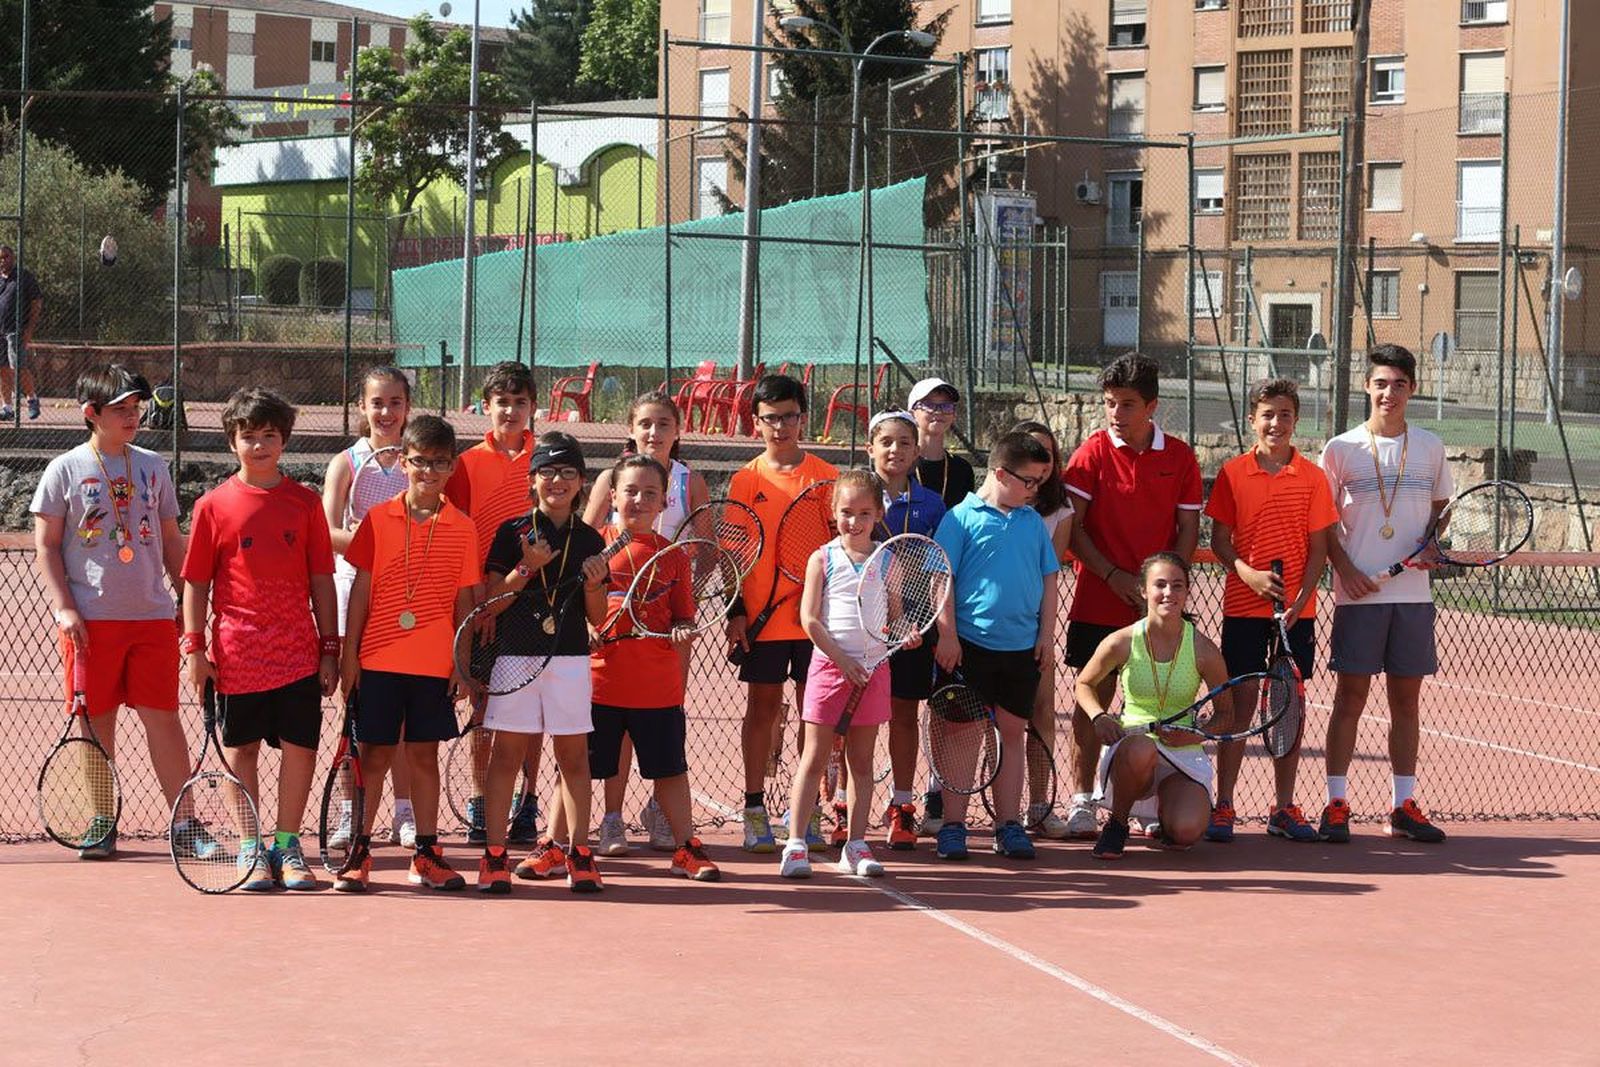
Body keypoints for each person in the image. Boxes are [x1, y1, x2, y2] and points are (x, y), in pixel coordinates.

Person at [30, 364, 209, 860]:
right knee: (96, 723)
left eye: (136, 409)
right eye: (122, 409)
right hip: (90, 623)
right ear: (91, 414)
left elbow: (172, 540)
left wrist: (184, 601)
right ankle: (103, 820)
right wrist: (65, 607)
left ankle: (186, 823)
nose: (133, 417)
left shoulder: (153, 465)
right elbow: (45, 546)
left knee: (165, 720)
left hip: (152, 617)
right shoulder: (64, 469)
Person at [180, 387, 338, 891]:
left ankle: (287, 847)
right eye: (248, 436)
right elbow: (196, 584)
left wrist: (329, 649)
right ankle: (252, 849)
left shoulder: (305, 504)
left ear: (284, 440)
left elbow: (321, 581)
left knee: (300, 747)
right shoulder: (212, 506)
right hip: (236, 654)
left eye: (268, 435)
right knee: (241, 748)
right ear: (232, 442)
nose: (259, 445)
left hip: (297, 652)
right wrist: (195, 650)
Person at [536, 454, 720, 886]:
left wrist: (682, 630)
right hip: (597, 686)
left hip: (657, 689)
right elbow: (567, 610)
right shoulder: (589, 544)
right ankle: (553, 846)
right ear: (613, 495)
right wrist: (585, 626)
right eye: (630, 491)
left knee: (671, 770)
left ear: (663, 503)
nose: (639, 500)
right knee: (573, 767)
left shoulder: (672, 556)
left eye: (650, 494)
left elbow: (683, 617)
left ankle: (686, 849)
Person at [334, 415, 480, 893]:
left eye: (440, 463)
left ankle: (427, 854)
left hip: (434, 664)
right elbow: (361, 592)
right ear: (403, 461)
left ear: (452, 466)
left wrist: (462, 662)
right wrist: (350, 654)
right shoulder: (378, 520)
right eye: (420, 462)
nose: (429, 472)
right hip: (378, 660)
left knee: (423, 757)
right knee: (373, 758)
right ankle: (360, 851)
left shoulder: (463, 528)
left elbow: (465, 603)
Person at [1062, 354, 1202, 840]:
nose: (1116, 413)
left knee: (1161, 703)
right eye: (1109, 403)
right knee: (1093, 702)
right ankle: (1082, 800)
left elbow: (1188, 528)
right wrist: (1111, 574)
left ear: (1152, 406)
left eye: (1127, 404)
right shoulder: (1090, 454)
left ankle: (1146, 800)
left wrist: (1166, 586)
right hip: (1099, 597)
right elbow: (1072, 528)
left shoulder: (1181, 457)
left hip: (1157, 607)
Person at [1318, 345, 1453, 844]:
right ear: (1366, 387)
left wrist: (1433, 543)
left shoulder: (1432, 447)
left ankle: (1403, 806)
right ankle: (1336, 803)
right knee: (1350, 699)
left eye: (1398, 384)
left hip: (1413, 595)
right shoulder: (1341, 449)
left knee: (1407, 703)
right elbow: (1324, 521)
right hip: (1358, 595)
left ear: (1412, 389)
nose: (1388, 392)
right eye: (1380, 383)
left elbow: (1441, 507)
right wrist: (1345, 568)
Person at [477, 432, 611, 893]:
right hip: (515, 656)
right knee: (506, 757)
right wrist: (526, 566)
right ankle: (495, 855)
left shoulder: (592, 538)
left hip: (570, 659)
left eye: (567, 473)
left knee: (573, 758)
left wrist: (595, 585)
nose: (557, 480)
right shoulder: (510, 532)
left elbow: (596, 618)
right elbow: (490, 606)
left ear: (581, 483)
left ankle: (580, 854)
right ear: (533, 479)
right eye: (547, 472)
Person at [1204, 379, 1337, 844]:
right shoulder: (1233, 473)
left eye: (1284, 414)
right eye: (1267, 414)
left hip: (1296, 614)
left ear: (1295, 420)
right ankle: (1224, 804)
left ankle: (1283, 807)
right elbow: (1220, 541)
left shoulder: (1314, 477)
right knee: (1239, 707)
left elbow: (1320, 547)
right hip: (1243, 608)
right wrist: (1248, 574)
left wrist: (1302, 599)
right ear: (1252, 420)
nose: (1275, 423)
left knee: (1288, 712)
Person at [582, 391, 711, 854]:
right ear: (631, 430)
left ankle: (664, 817)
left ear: (677, 432)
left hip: (662, 623)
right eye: (645, 424)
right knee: (605, 731)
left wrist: (678, 596)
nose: (653, 432)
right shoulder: (611, 482)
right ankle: (606, 821)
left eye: (663, 424)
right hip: (608, 629)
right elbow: (586, 543)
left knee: (661, 722)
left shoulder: (688, 481)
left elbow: (706, 545)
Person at [931, 431, 1061, 861]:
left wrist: (1045, 635)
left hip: (1021, 649)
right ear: (1001, 474)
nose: (1035, 490)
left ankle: (1008, 825)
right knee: (962, 736)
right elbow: (941, 578)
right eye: (1029, 481)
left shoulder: (1032, 524)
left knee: (1011, 735)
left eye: (1041, 481)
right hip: (969, 647)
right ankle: (953, 826)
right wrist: (947, 635)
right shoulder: (960, 518)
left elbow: (1049, 579)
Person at [725, 374, 839, 853]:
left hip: (816, 622)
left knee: (815, 720)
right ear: (757, 422)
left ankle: (806, 809)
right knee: (763, 709)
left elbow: (842, 547)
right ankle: (754, 809)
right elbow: (732, 554)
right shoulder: (745, 479)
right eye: (770, 418)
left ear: (802, 418)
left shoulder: (826, 478)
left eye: (789, 416)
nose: (780, 426)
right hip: (762, 618)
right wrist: (735, 610)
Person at [782, 468, 908, 879]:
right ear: (834, 512)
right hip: (829, 668)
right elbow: (809, 619)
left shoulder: (888, 559)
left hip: (873, 671)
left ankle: (855, 845)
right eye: (846, 512)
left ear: (878, 514)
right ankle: (796, 843)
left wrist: (903, 635)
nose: (854, 522)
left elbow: (897, 617)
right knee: (814, 756)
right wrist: (841, 660)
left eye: (864, 513)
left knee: (862, 761)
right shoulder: (823, 557)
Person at [442, 361, 545, 847]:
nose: (510, 410)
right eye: (502, 401)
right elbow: (459, 532)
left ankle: (528, 801)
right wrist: (479, 597)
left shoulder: (544, 458)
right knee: (482, 705)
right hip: (485, 600)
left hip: (536, 600)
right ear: (486, 407)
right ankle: (481, 800)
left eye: (520, 402)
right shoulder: (465, 463)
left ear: (532, 408)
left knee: (530, 710)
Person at [1074, 553, 1232, 860]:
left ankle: (1164, 815)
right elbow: (1084, 684)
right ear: (1144, 590)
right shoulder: (1122, 641)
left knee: (1185, 832)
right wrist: (1099, 716)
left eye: (1178, 586)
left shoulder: (1203, 649)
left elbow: (1227, 715)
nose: (1169, 593)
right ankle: (1117, 824)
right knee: (1141, 748)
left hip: (1182, 754)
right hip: (1133, 749)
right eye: (1160, 585)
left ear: (1187, 592)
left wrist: (1196, 735)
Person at [321, 365, 415, 849]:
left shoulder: (414, 462)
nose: (386, 412)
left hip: (403, 599)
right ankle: (347, 813)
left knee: (398, 714)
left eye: (395, 403)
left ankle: (404, 813)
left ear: (407, 408)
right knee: (353, 708)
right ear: (362, 407)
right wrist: (370, 541)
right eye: (377, 403)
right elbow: (326, 530)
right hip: (350, 591)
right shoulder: (347, 462)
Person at [865, 410, 946, 850]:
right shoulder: (852, 494)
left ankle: (902, 805)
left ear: (917, 452)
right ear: (871, 447)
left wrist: (928, 624)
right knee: (849, 721)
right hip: (859, 628)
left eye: (904, 443)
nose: (895, 450)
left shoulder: (932, 505)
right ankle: (839, 803)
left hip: (913, 629)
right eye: (887, 442)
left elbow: (936, 572)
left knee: (903, 714)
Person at [1009, 419, 1075, 840]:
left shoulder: (1059, 510)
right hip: (993, 626)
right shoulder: (992, 503)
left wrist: (1041, 632)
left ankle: (1040, 804)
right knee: (996, 719)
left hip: (1035, 627)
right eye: (1032, 451)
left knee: (1041, 712)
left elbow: (1046, 571)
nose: (1041, 461)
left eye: (1048, 454)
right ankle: (1004, 809)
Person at [908, 378, 975, 509]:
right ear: (912, 413)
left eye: (946, 406)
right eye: (929, 405)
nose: (939, 412)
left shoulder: (962, 469)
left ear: (954, 414)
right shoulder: (902, 464)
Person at [0, 244, 42, 420]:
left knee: (18, 366)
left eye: (6, 257)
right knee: (2, 369)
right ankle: (7, 407)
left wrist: (29, 330)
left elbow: (36, 303)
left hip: (15, 330)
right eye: (0, 258)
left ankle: (32, 399)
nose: (3, 261)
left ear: (13, 258)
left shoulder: (24, 277)